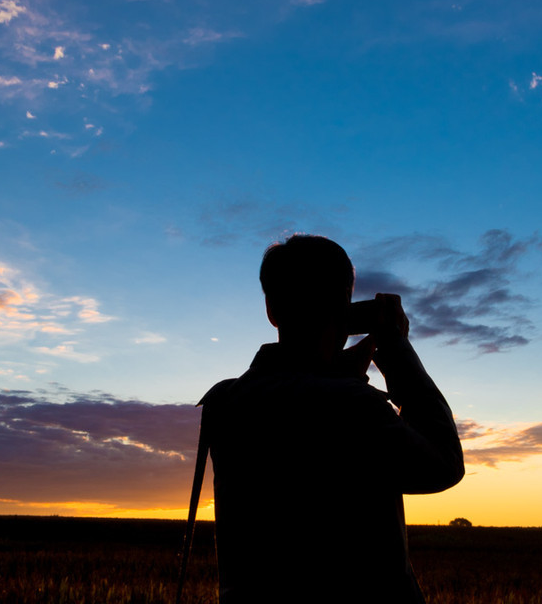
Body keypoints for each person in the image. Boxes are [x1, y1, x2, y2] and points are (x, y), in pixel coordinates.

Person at [198, 234, 464, 603]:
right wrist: (399, 354)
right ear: (345, 306)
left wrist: (335, 372)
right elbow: (444, 466)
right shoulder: (353, 405)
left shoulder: (227, 401)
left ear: (272, 310)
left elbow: (294, 407)